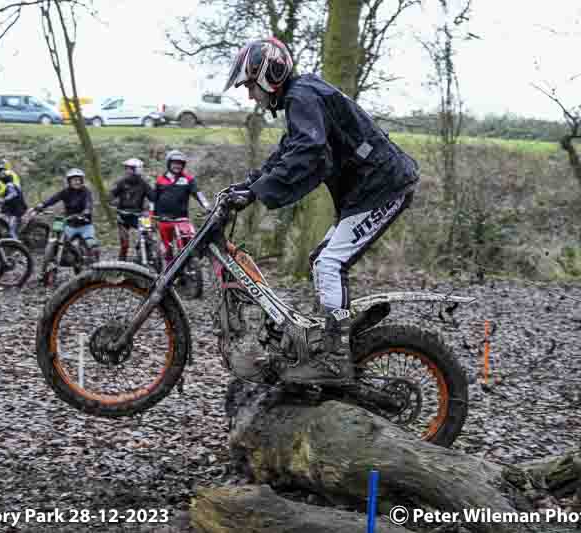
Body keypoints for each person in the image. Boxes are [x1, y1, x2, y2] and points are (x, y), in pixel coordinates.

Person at [222, 37, 420, 385]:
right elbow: (288, 151)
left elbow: (310, 153)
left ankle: (335, 359)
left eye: (251, 86)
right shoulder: (302, 97)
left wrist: (256, 193)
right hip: (367, 191)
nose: (250, 96)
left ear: (270, 74)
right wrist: (250, 185)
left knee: (330, 262)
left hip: (383, 188)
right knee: (321, 258)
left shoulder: (302, 97)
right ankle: (335, 333)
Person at [149, 150, 210, 267]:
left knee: (187, 245)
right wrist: (151, 215)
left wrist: (207, 206)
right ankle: (168, 271)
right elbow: (153, 199)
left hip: (181, 219)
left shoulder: (188, 179)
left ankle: (189, 268)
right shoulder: (160, 180)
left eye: (180, 163)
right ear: (168, 163)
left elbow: (198, 194)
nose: (177, 165)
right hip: (164, 219)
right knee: (167, 249)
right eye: (174, 163)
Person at [26, 168, 100, 262]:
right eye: (74, 180)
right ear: (69, 181)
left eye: (79, 180)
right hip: (70, 224)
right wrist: (39, 207)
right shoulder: (65, 192)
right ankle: (58, 260)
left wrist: (87, 211)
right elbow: (53, 199)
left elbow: (88, 202)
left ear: (82, 180)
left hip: (85, 224)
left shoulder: (86, 191)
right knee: (61, 242)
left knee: (92, 244)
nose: (77, 182)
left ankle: (96, 266)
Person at [110, 158, 152, 261]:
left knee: (148, 237)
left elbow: (153, 197)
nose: (127, 171)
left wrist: (149, 209)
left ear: (137, 170)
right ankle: (121, 264)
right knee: (124, 244)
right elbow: (111, 195)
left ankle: (149, 257)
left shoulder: (143, 183)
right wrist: (112, 204)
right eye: (126, 169)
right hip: (123, 215)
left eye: (130, 169)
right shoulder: (122, 182)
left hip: (139, 215)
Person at [0, 170, 28, 239]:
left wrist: (3, 200)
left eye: (3, 177)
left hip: (17, 211)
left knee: (12, 230)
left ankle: (17, 245)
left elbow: (13, 194)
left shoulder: (10, 185)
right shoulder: (14, 185)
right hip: (16, 210)